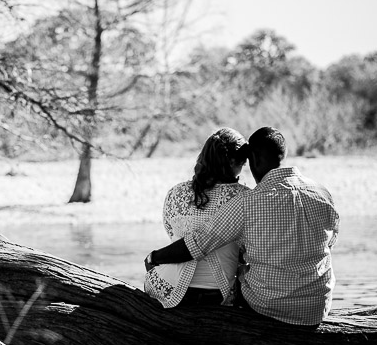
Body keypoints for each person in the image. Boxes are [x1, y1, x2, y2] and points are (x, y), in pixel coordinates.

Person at [145, 126, 339, 326]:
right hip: (318, 307)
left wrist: (155, 257)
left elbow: (197, 243)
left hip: (268, 305)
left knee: (244, 275)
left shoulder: (248, 202)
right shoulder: (321, 193)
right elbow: (330, 242)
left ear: (254, 158)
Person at [145, 127, 250, 308]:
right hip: (218, 293)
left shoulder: (176, 192)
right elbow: (247, 249)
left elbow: (172, 236)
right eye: (242, 163)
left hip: (168, 286)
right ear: (233, 161)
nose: (242, 170)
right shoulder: (245, 198)